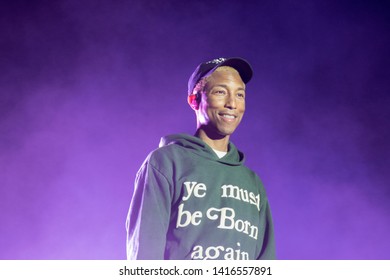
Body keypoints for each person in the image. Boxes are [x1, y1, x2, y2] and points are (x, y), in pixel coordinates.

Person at [126, 57, 276, 260]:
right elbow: (145, 252)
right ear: (194, 100)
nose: (232, 103)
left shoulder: (253, 183)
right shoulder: (167, 163)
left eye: (240, 94)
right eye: (220, 92)